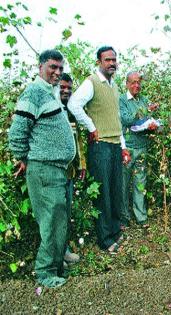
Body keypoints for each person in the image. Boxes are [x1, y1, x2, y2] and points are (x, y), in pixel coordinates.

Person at [8, 49, 76, 288]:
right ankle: (46, 274)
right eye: (52, 67)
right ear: (40, 67)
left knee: (58, 220)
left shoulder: (50, 92)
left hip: (55, 169)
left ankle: (56, 268)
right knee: (51, 222)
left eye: (60, 68)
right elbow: (17, 133)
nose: (57, 72)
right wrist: (23, 157)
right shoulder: (35, 92)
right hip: (44, 169)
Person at [68, 46, 130, 253]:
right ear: (99, 62)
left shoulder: (113, 85)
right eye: (107, 60)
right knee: (103, 193)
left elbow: (116, 119)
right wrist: (91, 127)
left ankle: (113, 232)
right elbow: (74, 104)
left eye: (114, 59)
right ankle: (105, 240)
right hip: (100, 146)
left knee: (114, 191)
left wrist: (123, 146)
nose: (112, 63)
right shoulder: (92, 82)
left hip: (113, 145)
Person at [119, 71, 158, 228]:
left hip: (142, 147)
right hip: (127, 148)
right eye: (133, 82)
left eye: (138, 82)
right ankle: (123, 217)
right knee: (123, 183)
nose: (136, 85)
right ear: (127, 84)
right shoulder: (122, 100)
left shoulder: (144, 99)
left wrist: (151, 123)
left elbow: (145, 122)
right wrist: (145, 113)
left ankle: (140, 217)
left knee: (140, 183)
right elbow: (127, 119)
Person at [59, 73, 85, 265]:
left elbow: (78, 141)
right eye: (62, 88)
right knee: (54, 216)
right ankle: (56, 257)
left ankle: (64, 251)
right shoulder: (51, 111)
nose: (66, 91)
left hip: (69, 173)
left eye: (69, 88)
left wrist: (81, 164)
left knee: (66, 213)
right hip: (54, 173)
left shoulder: (70, 112)